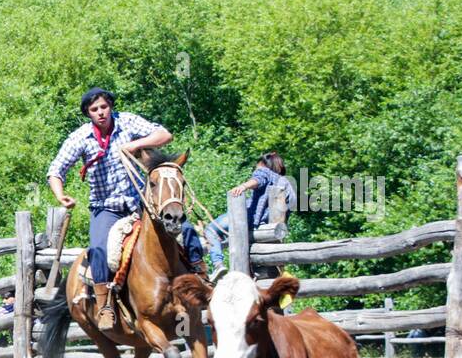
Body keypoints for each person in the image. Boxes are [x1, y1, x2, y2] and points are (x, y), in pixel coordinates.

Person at [47, 88, 173, 330]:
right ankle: (105, 307)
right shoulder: (80, 138)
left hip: (141, 204)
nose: (100, 113)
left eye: (104, 107)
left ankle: (199, 281)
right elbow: (55, 170)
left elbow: (164, 134)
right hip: (106, 208)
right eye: (94, 110)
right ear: (88, 114)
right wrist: (60, 195)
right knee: (99, 250)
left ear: (111, 107)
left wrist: (134, 145)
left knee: (179, 230)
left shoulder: (128, 122)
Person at [204, 152, 296, 282]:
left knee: (211, 229)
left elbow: (258, 179)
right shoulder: (286, 183)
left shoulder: (264, 171)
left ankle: (218, 265)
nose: (256, 169)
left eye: (256, 167)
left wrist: (243, 187)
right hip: (269, 227)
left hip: (249, 217)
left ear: (263, 164)